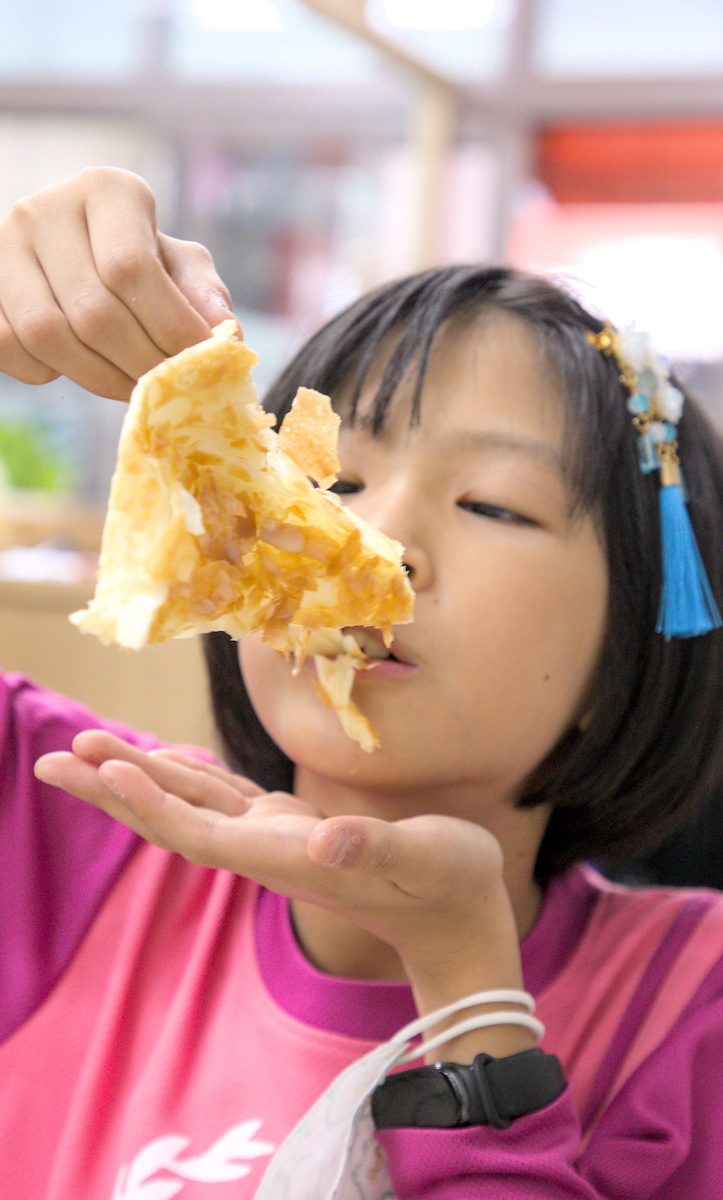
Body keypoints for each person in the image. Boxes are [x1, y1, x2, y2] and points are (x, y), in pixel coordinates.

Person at [1, 167, 723, 1200]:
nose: (371, 538)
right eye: (329, 481)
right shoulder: (61, 818)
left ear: (636, 646)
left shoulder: (691, 1010)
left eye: (493, 504)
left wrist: (467, 989)